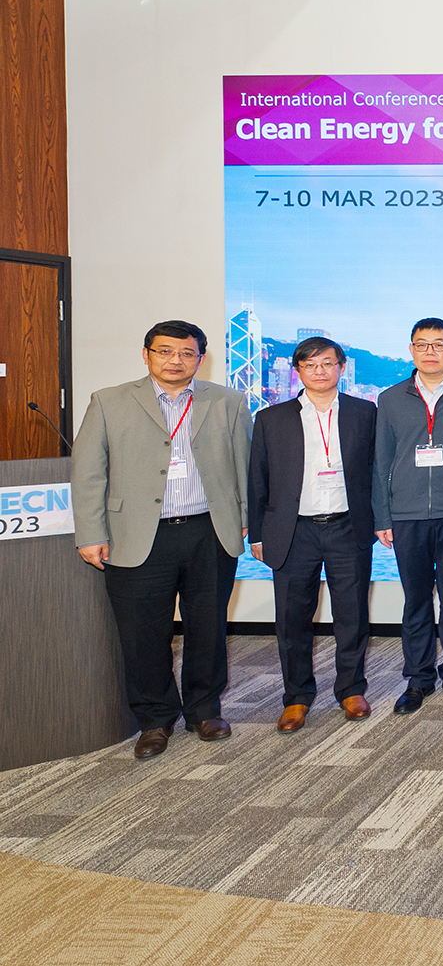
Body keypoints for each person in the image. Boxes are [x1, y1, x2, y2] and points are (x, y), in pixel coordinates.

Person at [72, 320, 252, 759]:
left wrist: (246, 519)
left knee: (207, 627)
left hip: (209, 530)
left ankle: (204, 710)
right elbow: (88, 471)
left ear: (200, 358)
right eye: (166, 351)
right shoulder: (109, 401)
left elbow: (245, 464)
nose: (176, 360)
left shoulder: (228, 401)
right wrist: (91, 532)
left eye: (186, 353)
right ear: (147, 354)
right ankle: (154, 719)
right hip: (136, 534)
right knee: (142, 634)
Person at [247, 337, 378, 732]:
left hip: (347, 527)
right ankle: (297, 697)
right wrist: (257, 534)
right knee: (292, 619)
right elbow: (258, 480)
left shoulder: (364, 413)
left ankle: (351, 688)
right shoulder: (272, 418)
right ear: (297, 371)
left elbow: (376, 470)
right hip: (293, 531)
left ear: (341, 367)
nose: (319, 371)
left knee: (352, 614)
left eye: (327, 363)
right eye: (310, 365)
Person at [374, 318, 443, 714]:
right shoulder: (389, 398)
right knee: (415, 600)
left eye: (439, 344)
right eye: (422, 345)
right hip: (406, 515)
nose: (431, 352)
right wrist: (381, 516)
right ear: (411, 350)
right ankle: (418, 677)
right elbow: (380, 462)